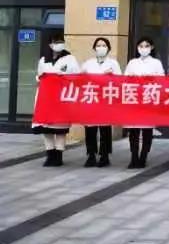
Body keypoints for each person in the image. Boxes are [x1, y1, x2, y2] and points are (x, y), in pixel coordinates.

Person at [34, 34, 80, 167]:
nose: (59, 44)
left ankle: (59, 156)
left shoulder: (70, 58)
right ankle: (50, 155)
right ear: (50, 44)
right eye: (56, 42)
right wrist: (40, 77)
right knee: (46, 129)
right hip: (45, 98)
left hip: (61, 98)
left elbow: (77, 76)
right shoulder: (44, 59)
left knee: (60, 129)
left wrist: (64, 76)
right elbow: (38, 76)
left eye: (61, 41)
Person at [124, 37, 164, 168]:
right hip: (134, 99)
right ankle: (134, 157)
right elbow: (125, 79)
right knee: (133, 131)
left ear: (151, 47)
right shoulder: (132, 62)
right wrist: (130, 78)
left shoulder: (156, 63)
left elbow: (161, 80)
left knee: (147, 130)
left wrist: (151, 79)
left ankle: (143, 156)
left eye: (146, 46)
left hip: (149, 99)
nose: (143, 48)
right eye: (141, 46)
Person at [81, 37, 122, 167]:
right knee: (90, 129)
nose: (101, 48)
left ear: (108, 48)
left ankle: (104, 156)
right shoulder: (88, 63)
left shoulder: (113, 63)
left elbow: (120, 81)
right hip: (91, 98)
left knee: (105, 129)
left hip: (106, 99)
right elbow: (79, 79)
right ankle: (91, 155)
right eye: (98, 45)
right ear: (94, 48)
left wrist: (111, 76)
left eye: (104, 45)